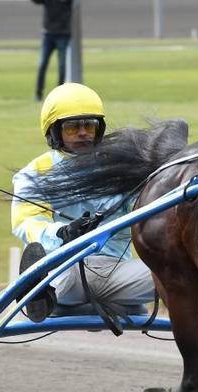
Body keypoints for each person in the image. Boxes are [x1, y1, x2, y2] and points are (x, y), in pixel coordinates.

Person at [11, 83, 155, 321]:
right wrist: (63, 233)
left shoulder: (121, 169)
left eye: (90, 125)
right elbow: (25, 223)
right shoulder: (35, 173)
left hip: (117, 273)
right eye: (72, 127)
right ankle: (40, 296)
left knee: (180, 272)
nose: (83, 133)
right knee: (59, 266)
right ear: (54, 132)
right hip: (65, 271)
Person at [31, 0, 73, 101]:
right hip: (48, 34)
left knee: (62, 66)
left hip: (63, 34)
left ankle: (60, 94)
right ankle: (38, 93)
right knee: (42, 64)